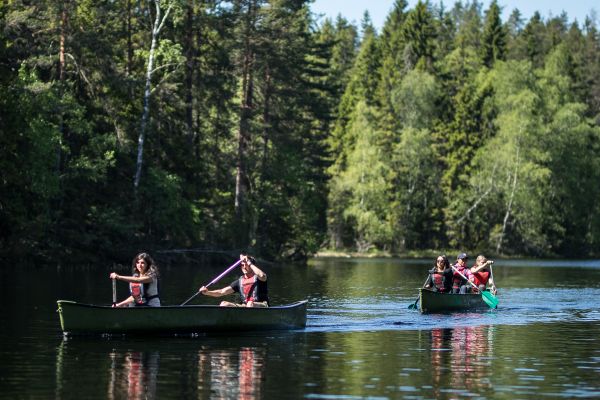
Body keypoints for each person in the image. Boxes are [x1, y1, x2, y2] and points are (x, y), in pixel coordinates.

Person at [199, 254, 269, 307]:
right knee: (224, 304)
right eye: (242, 265)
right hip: (245, 307)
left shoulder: (259, 278)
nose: (244, 267)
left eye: (246, 264)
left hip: (262, 305)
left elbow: (263, 276)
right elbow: (221, 292)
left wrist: (249, 262)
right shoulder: (239, 281)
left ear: (251, 265)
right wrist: (207, 292)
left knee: (250, 303)